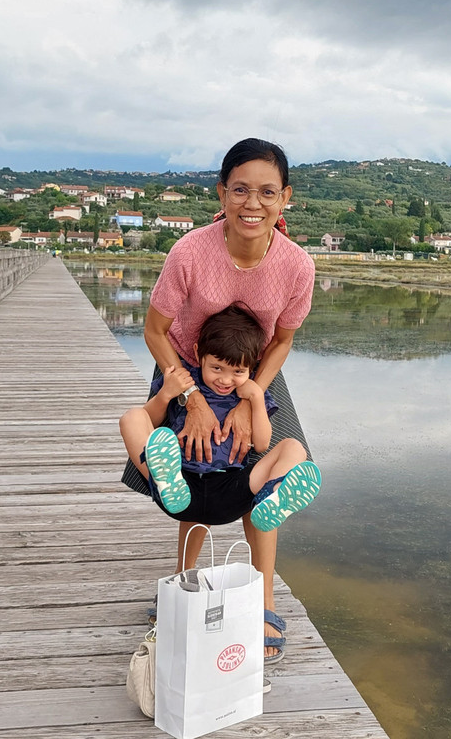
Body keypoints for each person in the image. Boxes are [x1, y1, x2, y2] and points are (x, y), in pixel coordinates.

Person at [121, 137, 317, 663]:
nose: (253, 203)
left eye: (267, 192)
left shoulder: (298, 266)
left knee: (275, 471)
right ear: (222, 192)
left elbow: (283, 340)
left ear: (285, 199)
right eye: (241, 190)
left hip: (256, 373)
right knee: (191, 465)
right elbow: (156, 330)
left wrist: (254, 390)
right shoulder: (190, 251)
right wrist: (191, 395)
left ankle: (263, 599)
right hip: (186, 367)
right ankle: (184, 585)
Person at [119, 304, 321, 531]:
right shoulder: (186, 381)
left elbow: (263, 444)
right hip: (182, 485)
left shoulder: (251, 392)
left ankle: (272, 496)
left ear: (252, 365)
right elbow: (148, 421)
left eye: (237, 372)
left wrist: (255, 397)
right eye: (217, 368)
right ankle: (162, 482)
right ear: (198, 354)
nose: (225, 380)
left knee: (295, 447)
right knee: (132, 417)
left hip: (233, 490)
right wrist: (166, 394)